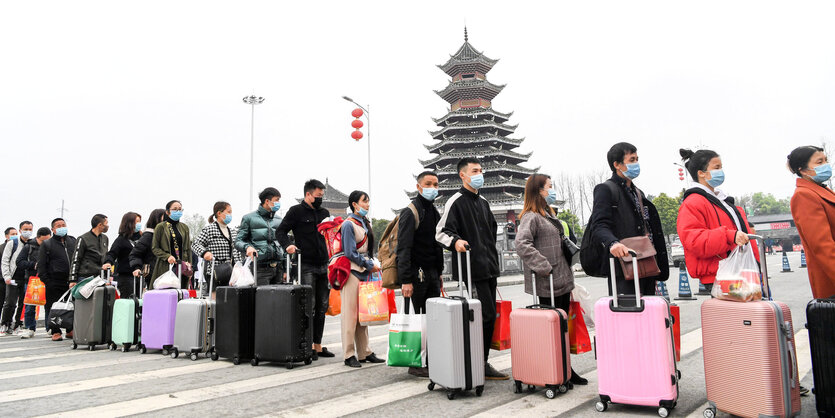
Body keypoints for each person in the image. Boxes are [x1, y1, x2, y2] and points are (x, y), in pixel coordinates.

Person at [435, 157, 508, 380]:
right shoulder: (455, 201)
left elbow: (491, 233)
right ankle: (477, 362)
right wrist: (456, 241)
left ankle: (481, 360)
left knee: (489, 316)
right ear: (463, 175)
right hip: (471, 269)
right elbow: (441, 232)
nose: (480, 174)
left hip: (490, 267)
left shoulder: (484, 202)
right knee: (482, 315)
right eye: (475, 170)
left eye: (481, 170)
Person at [515, 173, 588, 385]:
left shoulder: (548, 214)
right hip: (547, 283)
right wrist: (543, 266)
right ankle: (555, 369)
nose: (552, 190)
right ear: (539, 190)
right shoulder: (531, 216)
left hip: (562, 279)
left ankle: (565, 369)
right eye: (549, 186)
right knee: (552, 328)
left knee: (562, 327)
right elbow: (522, 244)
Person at [587, 142, 669, 296]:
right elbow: (599, 225)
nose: (636, 164)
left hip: (646, 261)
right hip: (623, 264)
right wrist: (613, 243)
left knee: (648, 311)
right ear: (617, 164)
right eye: (631, 160)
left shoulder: (638, 192)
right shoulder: (605, 189)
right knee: (627, 313)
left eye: (637, 159)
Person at [676, 149, 758, 294]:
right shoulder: (693, 203)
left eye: (721, 167)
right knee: (733, 316)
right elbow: (694, 240)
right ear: (701, 173)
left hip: (743, 272)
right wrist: (728, 235)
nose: (721, 171)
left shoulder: (723, 201)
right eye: (716, 168)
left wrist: (757, 264)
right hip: (721, 275)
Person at [276, 180, 335, 359]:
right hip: (305, 265)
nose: (320, 199)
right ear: (308, 194)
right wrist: (288, 245)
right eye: (318, 196)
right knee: (310, 305)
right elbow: (281, 232)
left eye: (322, 196)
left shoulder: (324, 213)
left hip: (324, 263)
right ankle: (306, 344)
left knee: (323, 306)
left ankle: (318, 345)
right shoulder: (296, 211)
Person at [395, 171, 444, 378]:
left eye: (435, 184)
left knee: (432, 318)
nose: (433, 188)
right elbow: (403, 248)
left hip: (432, 273)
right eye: (428, 184)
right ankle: (415, 362)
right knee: (419, 319)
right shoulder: (410, 212)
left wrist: (440, 272)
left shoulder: (433, 211)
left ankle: (431, 359)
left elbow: (437, 244)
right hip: (416, 275)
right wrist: (405, 279)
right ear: (418, 186)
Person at [340, 191, 385, 368]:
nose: (367, 205)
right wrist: (368, 264)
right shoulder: (348, 225)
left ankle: (365, 351)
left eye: (368, 201)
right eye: (364, 202)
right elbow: (349, 252)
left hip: (365, 270)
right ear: (354, 204)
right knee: (350, 316)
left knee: (364, 315)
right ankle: (349, 354)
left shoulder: (364, 223)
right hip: (352, 272)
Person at [788, 145, 835, 299]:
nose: (826, 165)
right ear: (803, 170)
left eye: (825, 160)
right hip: (830, 280)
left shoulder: (822, 191)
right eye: (819, 162)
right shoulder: (804, 196)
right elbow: (823, 247)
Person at [236, 187, 285, 286]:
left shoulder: (279, 220)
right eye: (277, 200)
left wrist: (286, 268)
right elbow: (238, 241)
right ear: (267, 201)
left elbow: (282, 243)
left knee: (280, 300)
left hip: (278, 268)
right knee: (262, 299)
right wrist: (247, 247)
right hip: (260, 268)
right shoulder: (249, 218)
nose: (278, 203)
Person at [38, 218, 77, 341]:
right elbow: (42, 265)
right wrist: (47, 281)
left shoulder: (72, 241)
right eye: (58, 226)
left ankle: (70, 329)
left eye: (63, 225)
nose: (61, 227)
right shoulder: (47, 244)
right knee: (54, 307)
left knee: (71, 306)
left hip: (71, 280)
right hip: (54, 281)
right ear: (53, 229)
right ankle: (56, 331)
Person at [192, 201, 242, 294]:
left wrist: (239, 265)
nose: (230, 215)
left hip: (232, 272)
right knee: (216, 300)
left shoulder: (232, 231)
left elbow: (236, 251)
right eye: (228, 212)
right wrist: (204, 253)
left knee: (231, 299)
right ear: (219, 213)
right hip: (216, 272)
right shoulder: (209, 229)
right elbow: (195, 244)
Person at [16, 227, 51, 338]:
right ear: (38, 237)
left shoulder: (52, 246)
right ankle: (30, 328)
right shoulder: (29, 246)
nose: (45, 243)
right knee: (30, 305)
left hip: (47, 279)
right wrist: (33, 264)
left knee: (49, 305)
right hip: (32, 280)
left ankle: (49, 328)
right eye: (43, 241)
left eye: (48, 240)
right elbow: (19, 262)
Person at [151, 201, 192, 289]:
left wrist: (190, 266)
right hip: (166, 266)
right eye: (174, 209)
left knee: (180, 294)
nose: (178, 212)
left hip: (182, 267)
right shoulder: (161, 227)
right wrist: (167, 256)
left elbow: (188, 248)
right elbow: (155, 248)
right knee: (165, 293)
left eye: (180, 209)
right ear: (167, 212)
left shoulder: (184, 227)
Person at [1, 222, 32, 336]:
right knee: (10, 302)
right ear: (20, 230)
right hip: (13, 277)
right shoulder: (12, 243)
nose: (28, 231)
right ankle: (5, 324)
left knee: (23, 303)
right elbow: (5, 260)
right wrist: (7, 276)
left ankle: (17, 325)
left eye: (30, 229)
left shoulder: (32, 243)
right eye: (25, 229)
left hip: (27, 278)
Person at [106, 212, 142, 298]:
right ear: (129, 223)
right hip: (126, 277)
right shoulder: (121, 239)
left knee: (139, 303)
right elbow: (112, 253)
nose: (139, 224)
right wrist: (108, 262)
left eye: (139, 222)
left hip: (139, 276)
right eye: (136, 222)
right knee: (128, 302)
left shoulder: (142, 238)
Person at [70, 214, 111, 286]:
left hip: (100, 278)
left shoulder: (105, 238)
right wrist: (72, 279)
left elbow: (105, 257)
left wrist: (108, 274)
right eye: (106, 223)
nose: (108, 226)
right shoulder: (83, 239)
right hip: (85, 278)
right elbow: (76, 259)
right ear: (100, 225)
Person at [130, 208, 165, 290]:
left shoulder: (164, 236)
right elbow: (135, 254)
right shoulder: (148, 236)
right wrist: (137, 267)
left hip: (165, 275)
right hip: (153, 275)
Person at [0, 227, 16, 322]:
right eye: (12, 234)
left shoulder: (18, 247)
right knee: (1, 302)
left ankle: (8, 323)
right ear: (6, 236)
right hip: (2, 279)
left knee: (11, 303)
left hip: (14, 279)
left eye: (15, 234)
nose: (15, 236)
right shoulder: (1, 248)